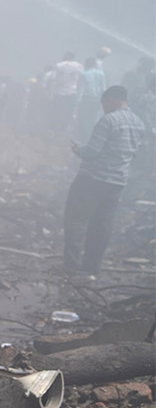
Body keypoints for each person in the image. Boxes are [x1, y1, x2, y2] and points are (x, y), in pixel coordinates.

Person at [63, 85, 148, 277]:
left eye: (103, 103)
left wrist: (77, 150)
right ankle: (91, 267)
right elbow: (135, 153)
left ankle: (71, 265)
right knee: (101, 224)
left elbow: (92, 152)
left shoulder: (108, 120)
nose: (103, 108)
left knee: (75, 220)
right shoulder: (139, 123)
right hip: (117, 181)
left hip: (93, 178)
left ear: (111, 100)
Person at [50, 52, 84, 136]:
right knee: (68, 113)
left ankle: (55, 130)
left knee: (57, 112)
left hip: (59, 92)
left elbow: (53, 78)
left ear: (65, 57)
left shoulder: (59, 65)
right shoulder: (79, 66)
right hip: (72, 93)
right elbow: (81, 80)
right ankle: (63, 130)